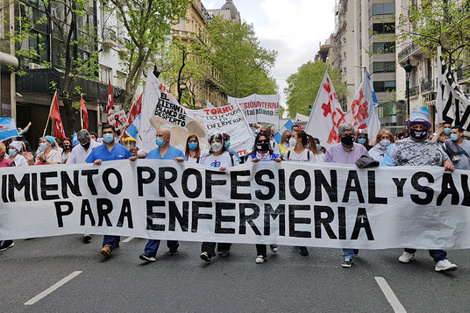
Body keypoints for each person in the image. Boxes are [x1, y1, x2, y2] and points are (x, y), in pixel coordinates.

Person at [382, 107, 457, 272]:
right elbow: (386, 168)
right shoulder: (397, 146)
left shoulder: (435, 146)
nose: (418, 130)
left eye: (421, 128)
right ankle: (409, 249)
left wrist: (447, 163)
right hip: (406, 196)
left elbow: (446, 160)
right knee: (411, 223)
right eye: (415, 127)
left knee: (432, 224)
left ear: (426, 129)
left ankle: (440, 258)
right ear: (410, 128)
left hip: (429, 197)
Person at [86, 125, 135, 257]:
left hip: (119, 191)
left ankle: (108, 244)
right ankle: (112, 240)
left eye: (110, 132)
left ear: (114, 134)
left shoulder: (123, 150)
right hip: (102, 190)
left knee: (114, 215)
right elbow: (86, 168)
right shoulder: (96, 151)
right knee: (108, 215)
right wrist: (94, 164)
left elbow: (132, 168)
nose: (107, 135)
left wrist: (132, 161)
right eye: (105, 133)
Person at [324, 123, 369, 268]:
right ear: (339, 136)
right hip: (340, 192)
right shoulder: (331, 150)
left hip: (357, 192)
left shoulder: (361, 149)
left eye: (351, 134)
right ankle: (347, 254)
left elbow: (369, 165)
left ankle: (354, 244)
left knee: (357, 221)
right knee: (344, 223)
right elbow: (326, 170)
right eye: (345, 135)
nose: (349, 137)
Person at [139, 128, 186, 262]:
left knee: (171, 220)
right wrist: (134, 163)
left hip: (172, 194)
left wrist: (182, 162)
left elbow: (189, 170)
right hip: (155, 194)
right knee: (155, 221)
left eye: (161, 136)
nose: (158, 138)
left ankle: (173, 245)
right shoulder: (152, 154)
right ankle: (150, 252)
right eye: (157, 135)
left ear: (168, 138)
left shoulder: (177, 152)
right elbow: (145, 170)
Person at [199, 132, 239, 262]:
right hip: (209, 195)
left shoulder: (230, 156)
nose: (215, 143)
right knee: (209, 223)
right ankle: (207, 250)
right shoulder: (205, 158)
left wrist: (228, 171)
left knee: (225, 222)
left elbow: (239, 172)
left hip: (226, 194)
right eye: (213, 141)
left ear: (222, 142)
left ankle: (224, 246)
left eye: (218, 141)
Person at [283, 130, 322, 256]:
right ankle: (298, 238)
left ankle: (302, 241)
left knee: (304, 213)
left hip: (305, 190)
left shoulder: (309, 154)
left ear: (299, 139)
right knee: (294, 213)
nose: (291, 139)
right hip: (291, 190)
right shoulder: (288, 153)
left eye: (293, 136)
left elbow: (314, 171)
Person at [245, 133, 281, 263]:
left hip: (273, 195)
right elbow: (244, 174)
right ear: (256, 143)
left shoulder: (275, 156)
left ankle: (272, 239)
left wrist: (280, 164)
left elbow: (283, 172)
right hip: (257, 195)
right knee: (259, 224)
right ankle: (261, 253)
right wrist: (251, 165)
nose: (262, 143)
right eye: (260, 141)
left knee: (271, 221)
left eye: (265, 141)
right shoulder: (251, 157)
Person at [67, 129, 102, 243]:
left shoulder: (98, 146)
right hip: (82, 181)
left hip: (98, 180)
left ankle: (98, 222)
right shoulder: (76, 149)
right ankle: (87, 229)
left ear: (89, 139)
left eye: (85, 140)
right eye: (81, 141)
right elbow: (69, 164)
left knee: (98, 203)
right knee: (85, 204)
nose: (83, 142)